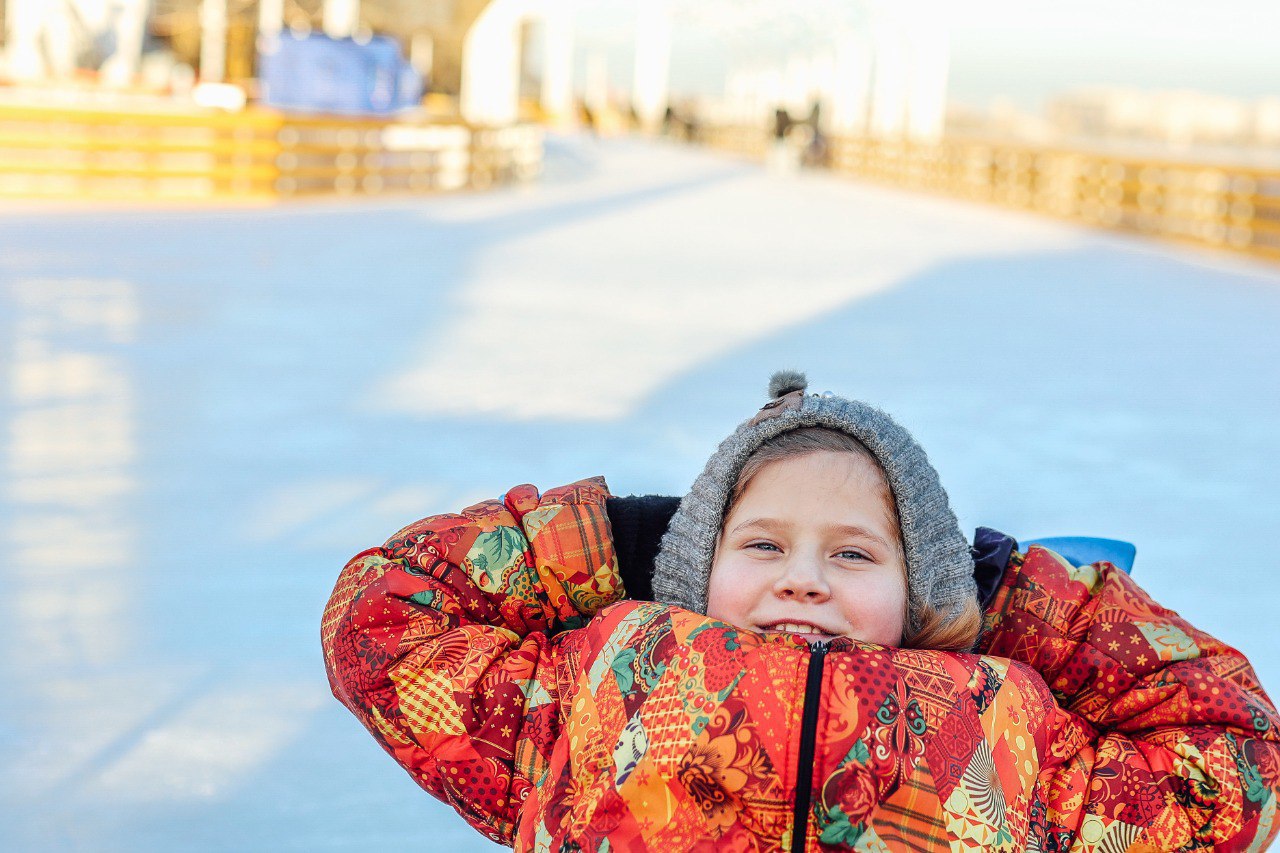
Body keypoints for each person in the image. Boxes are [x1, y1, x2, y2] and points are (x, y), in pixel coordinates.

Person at [322, 371, 1280, 851]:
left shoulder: (1005, 735)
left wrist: (1012, 600)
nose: (805, 579)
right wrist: (611, 539)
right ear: (692, 565)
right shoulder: (597, 690)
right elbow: (383, 620)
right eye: (763, 544)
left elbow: (1236, 761)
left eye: (854, 553)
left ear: (923, 591)